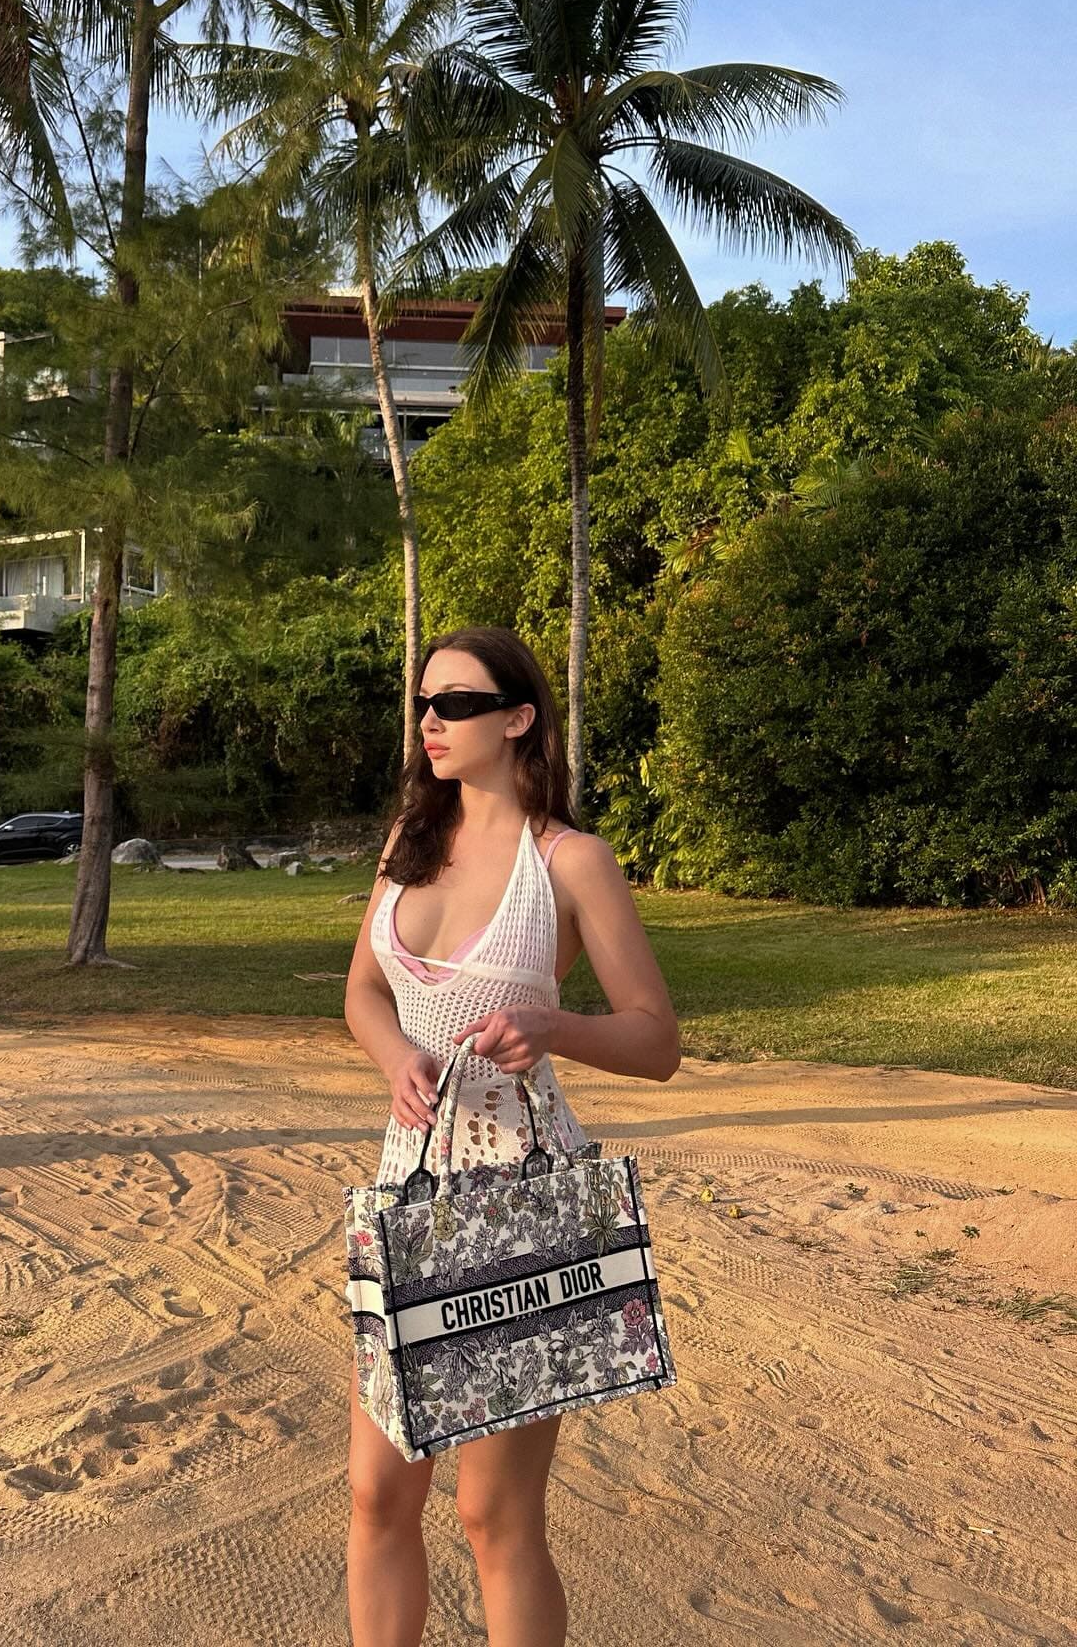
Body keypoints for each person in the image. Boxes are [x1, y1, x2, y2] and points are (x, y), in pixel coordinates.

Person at [342, 624, 682, 1647]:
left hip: (523, 1201)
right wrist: (395, 1057)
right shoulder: (408, 844)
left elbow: (657, 1040)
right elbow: (363, 993)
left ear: (519, 718)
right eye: (424, 703)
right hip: (407, 1195)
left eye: (455, 703)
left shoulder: (571, 862)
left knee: (493, 1515)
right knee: (376, 1495)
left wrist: (554, 1026)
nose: (430, 721)